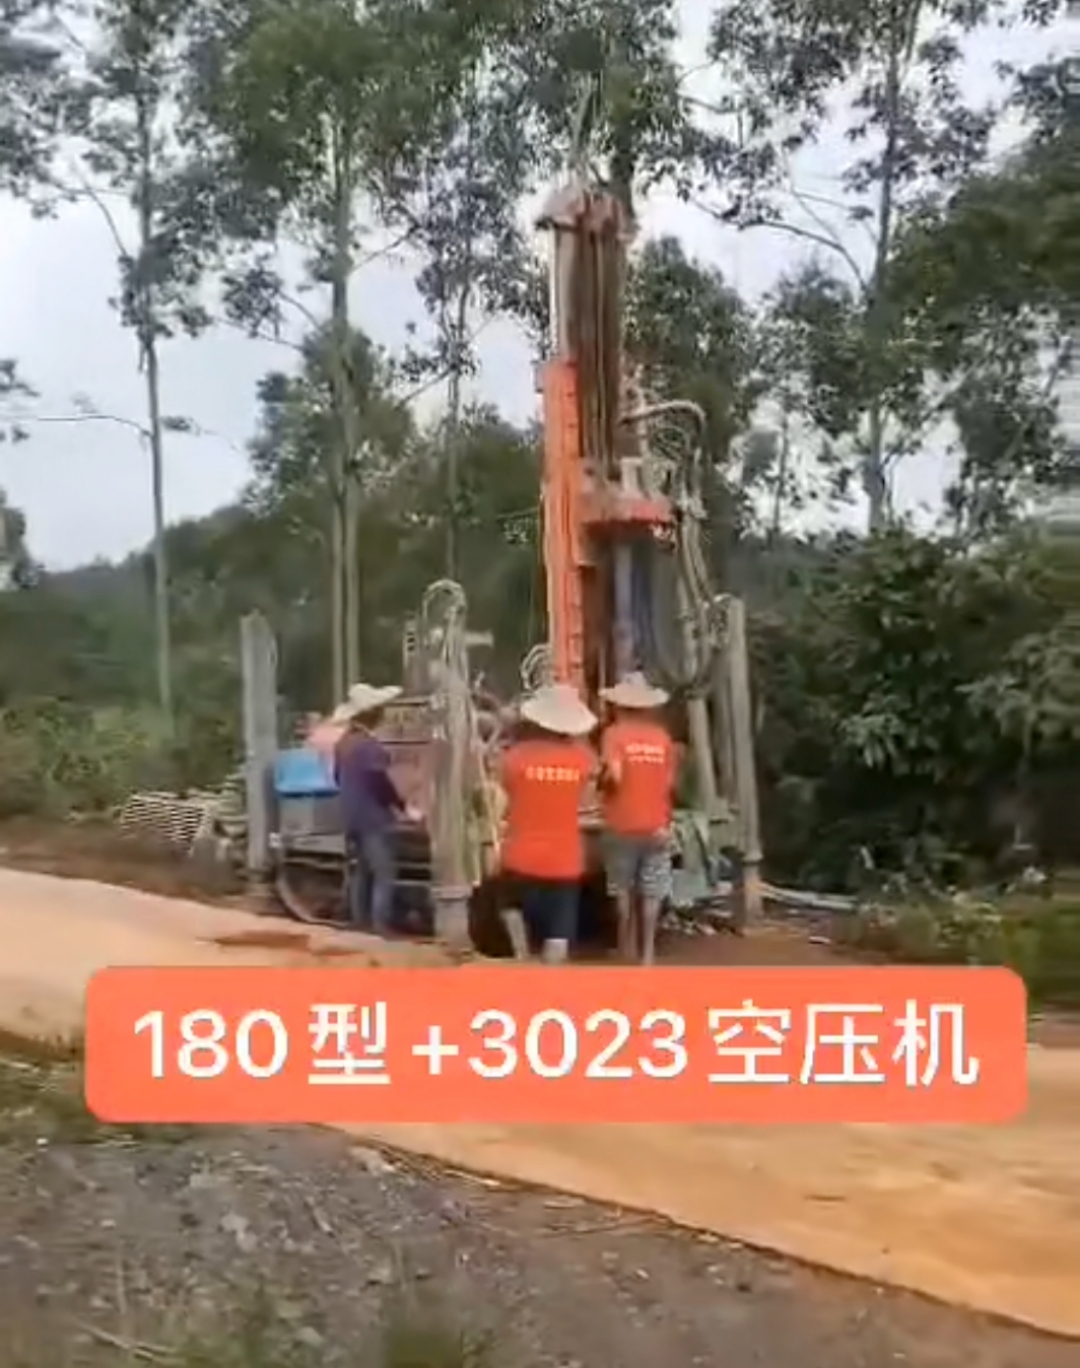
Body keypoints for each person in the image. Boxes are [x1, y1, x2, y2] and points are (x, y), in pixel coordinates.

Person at [497, 682, 597, 965]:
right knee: (559, 931)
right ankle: (550, 976)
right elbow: (586, 801)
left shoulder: (514, 757)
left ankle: (521, 955)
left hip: (520, 855)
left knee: (508, 904)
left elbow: (501, 801)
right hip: (564, 860)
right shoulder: (582, 760)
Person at [598, 672, 677, 966]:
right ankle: (648, 954)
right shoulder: (663, 738)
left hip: (622, 822)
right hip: (657, 824)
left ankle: (625, 946)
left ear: (620, 705)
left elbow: (616, 776)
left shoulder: (613, 735)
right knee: (652, 890)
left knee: (622, 887)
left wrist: (603, 781)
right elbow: (669, 784)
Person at [332, 682, 420, 934]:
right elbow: (381, 784)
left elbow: (337, 777)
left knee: (361, 871)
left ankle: (360, 922)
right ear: (371, 714)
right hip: (373, 819)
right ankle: (380, 926)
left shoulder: (344, 743)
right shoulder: (369, 747)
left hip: (351, 816)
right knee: (384, 872)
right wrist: (404, 807)